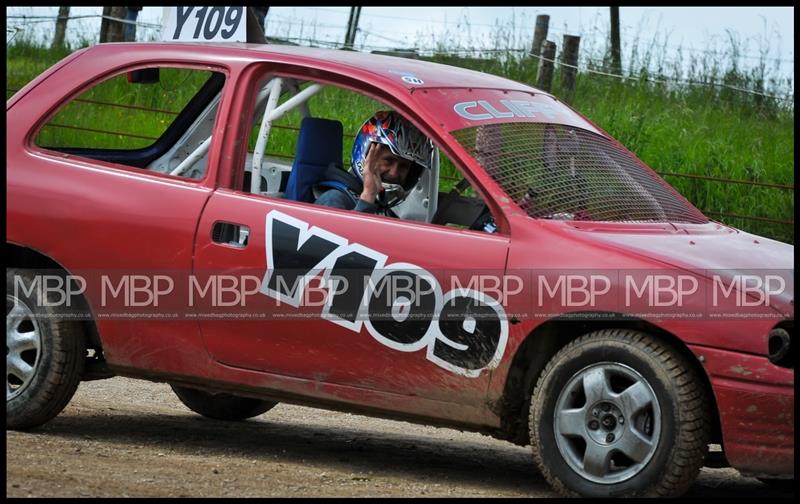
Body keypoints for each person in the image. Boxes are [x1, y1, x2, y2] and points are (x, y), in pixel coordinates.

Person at [315, 111, 433, 216]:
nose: (394, 173)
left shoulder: (384, 208)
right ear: (367, 157)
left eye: (403, 166)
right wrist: (368, 197)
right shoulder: (333, 200)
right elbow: (340, 240)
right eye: (388, 160)